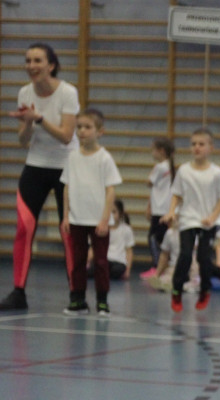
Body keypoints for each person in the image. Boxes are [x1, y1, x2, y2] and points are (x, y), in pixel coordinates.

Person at [1, 43, 80, 312]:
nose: (31, 66)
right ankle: (18, 292)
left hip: (66, 168)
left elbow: (67, 136)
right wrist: (26, 124)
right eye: (27, 60)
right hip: (35, 165)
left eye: (37, 60)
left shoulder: (68, 92)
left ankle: (76, 293)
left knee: (68, 231)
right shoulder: (24, 92)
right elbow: (24, 141)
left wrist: (39, 119)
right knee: (24, 227)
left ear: (51, 65)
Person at [160, 128, 220, 312]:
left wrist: (213, 216)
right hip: (188, 219)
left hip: (209, 221)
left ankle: (205, 289)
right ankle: (177, 289)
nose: (197, 148)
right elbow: (176, 194)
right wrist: (171, 212)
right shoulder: (184, 170)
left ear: (211, 147)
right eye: (193, 144)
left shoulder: (218, 173)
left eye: (201, 144)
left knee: (203, 257)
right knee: (185, 254)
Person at [59, 108, 122, 316]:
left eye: (88, 127)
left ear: (100, 131)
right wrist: (66, 216)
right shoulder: (72, 157)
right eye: (79, 127)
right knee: (77, 261)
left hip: (98, 221)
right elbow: (66, 187)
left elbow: (111, 189)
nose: (82, 131)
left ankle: (102, 301)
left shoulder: (104, 158)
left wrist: (105, 219)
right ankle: (77, 300)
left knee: (101, 262)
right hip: (76, 219)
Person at [140, 137, 175, 279]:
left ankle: (157, 267)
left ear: (161, 151)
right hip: (164, 208)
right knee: (162, 238)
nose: (152, 153)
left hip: (160, 209)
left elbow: (149, 183)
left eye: (153, 150)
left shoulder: (160, 167)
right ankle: (164, 267)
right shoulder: (170, 166)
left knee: (154, 238)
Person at [90, 199, 135, 281]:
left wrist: (128, 270)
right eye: (109, 212)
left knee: (117, 270)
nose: (111, 215)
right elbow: (93, 247)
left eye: (114, 212)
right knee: (92, 269)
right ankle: (102, 272)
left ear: (120, 214)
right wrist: (88, 262)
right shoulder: (101, 228)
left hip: (118, 262)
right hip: (104, 260)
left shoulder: (126, 229)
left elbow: (129, 251)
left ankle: (103, 273)